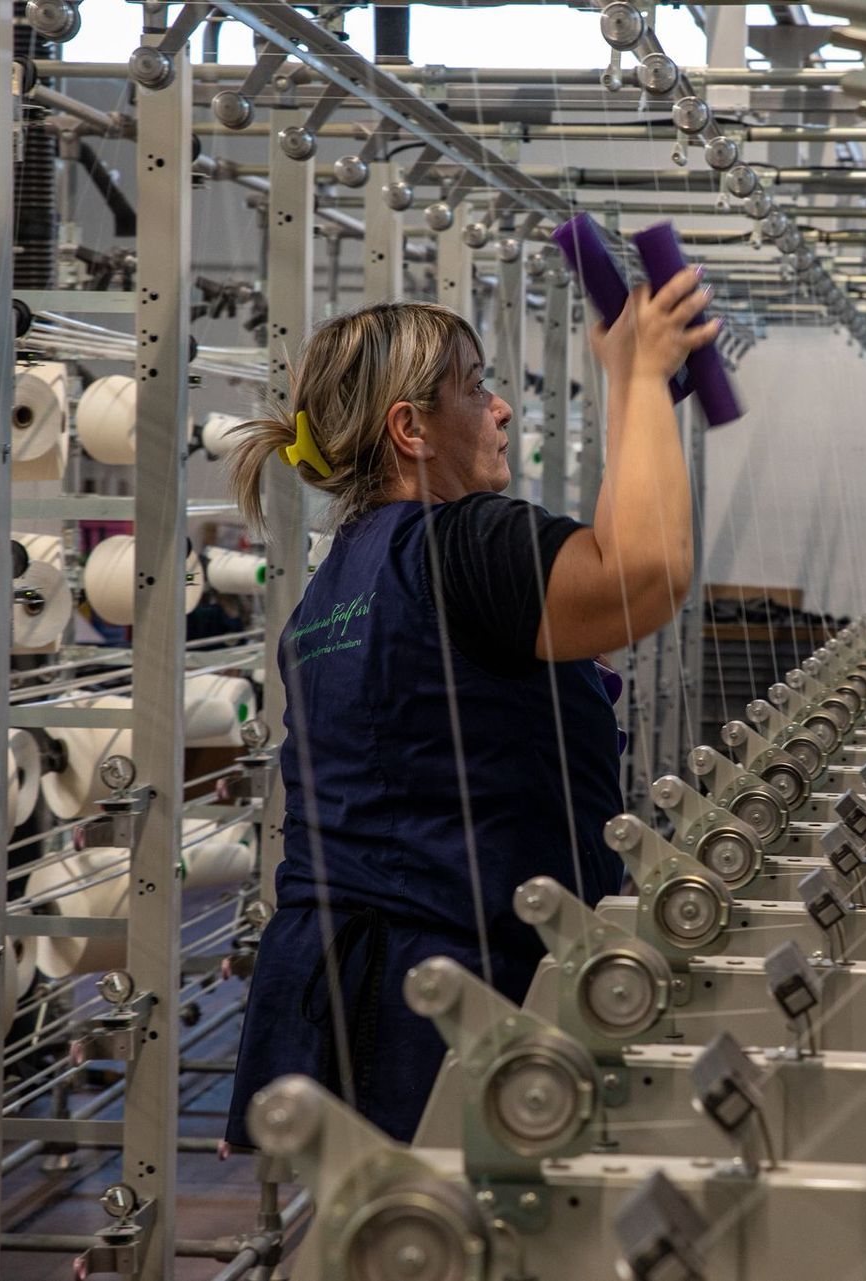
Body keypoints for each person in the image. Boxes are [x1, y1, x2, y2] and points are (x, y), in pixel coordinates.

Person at [220, 268, 718, 1144]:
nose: (501, 411)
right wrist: (644, 380)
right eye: (478, 388)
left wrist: (622, 379)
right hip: (454, 1003)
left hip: (347, 1003)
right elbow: (643, 576)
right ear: (410, 429)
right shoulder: (460, 543)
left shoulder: (337, 585)